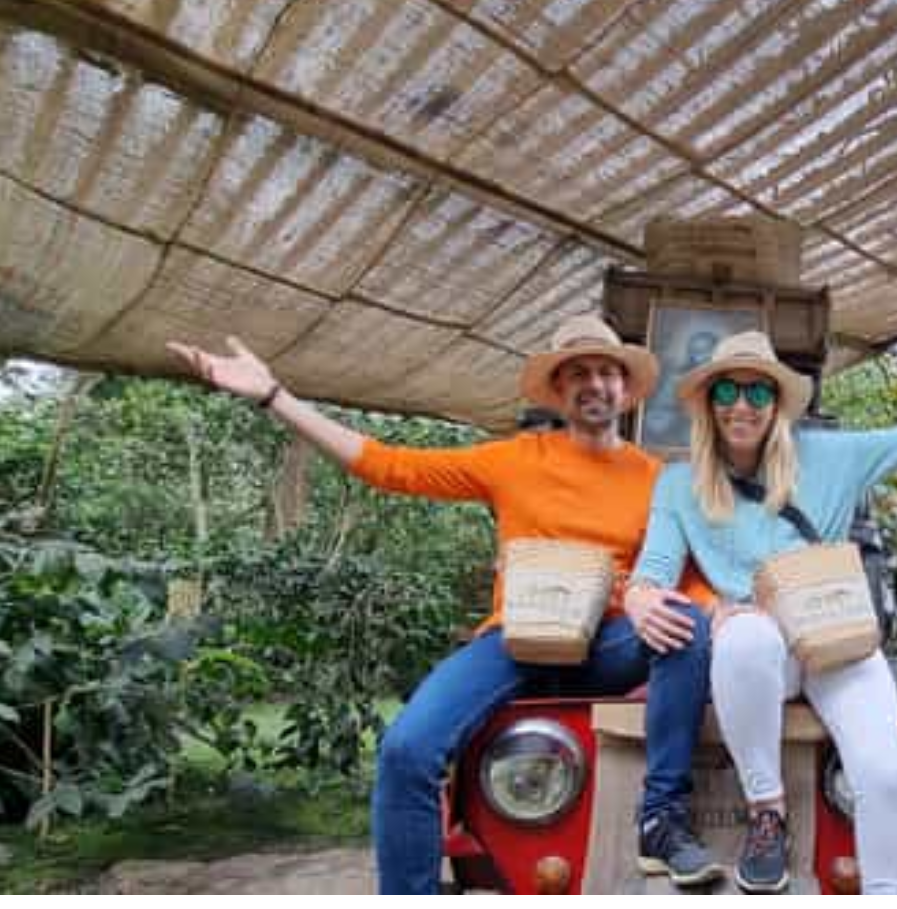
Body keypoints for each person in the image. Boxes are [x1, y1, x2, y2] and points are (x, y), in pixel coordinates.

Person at [167, 315, 722, 893]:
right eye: (577, 373)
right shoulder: (513, 459)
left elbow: (689, 578)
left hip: (610, 642)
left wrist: (724, 612)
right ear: (559, 391)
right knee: (407, 750)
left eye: (606, 372)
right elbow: (388, 465)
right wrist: (275, 397)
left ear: (625, 388)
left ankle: (661, 817)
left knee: (686, 624)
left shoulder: (658, 480)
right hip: (517, 640)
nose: (594, 384)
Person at [627, 331, 897, 894]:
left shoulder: (827, 456)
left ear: (776, 404)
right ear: (708, 403)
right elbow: (653, 571)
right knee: (745, 635)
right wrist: (640, 595)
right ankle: (767, 813)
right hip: (758, 656)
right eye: (727, 390)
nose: (742, 405)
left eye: (758, 392)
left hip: (832, 639)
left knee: (887, 772)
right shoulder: (680, 484)